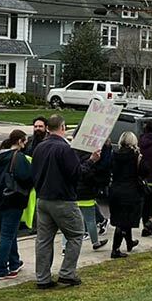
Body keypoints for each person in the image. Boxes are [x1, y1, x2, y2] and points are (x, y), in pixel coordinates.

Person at [32, 115, 96, 288]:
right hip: (62, 200)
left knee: (44, 240)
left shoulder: (39, 147)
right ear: (62, 127)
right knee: (76, 234)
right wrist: (91, 161)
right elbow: (76, 174)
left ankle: (42, 278)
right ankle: (67, 273)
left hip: (43, 198)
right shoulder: (64, 148)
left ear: (47, 128)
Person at [0, 130, 34, 280]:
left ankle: (14, 263)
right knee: (7, 235)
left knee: (10, 233)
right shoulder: (18, 157)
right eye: (24, 142)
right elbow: (27, 178)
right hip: (12, 201)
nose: (25, 145)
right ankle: (0, 269)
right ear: (19, 141)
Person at [107, 131, 144, 257]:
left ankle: (129, 242)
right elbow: (145, 172)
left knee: (121, 218)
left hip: (116, 189)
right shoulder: (135, 156)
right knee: (124, 221)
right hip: (130, 190)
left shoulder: (114, 155)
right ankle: (115, 249)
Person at [74, 140, 111, 251]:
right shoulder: (91, 162)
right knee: (90, 220)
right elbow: (91, 176)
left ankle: (64, 247)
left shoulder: (72, 158)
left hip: (74, 193)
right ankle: (95, 242)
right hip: (86, 194)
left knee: (72, 222)